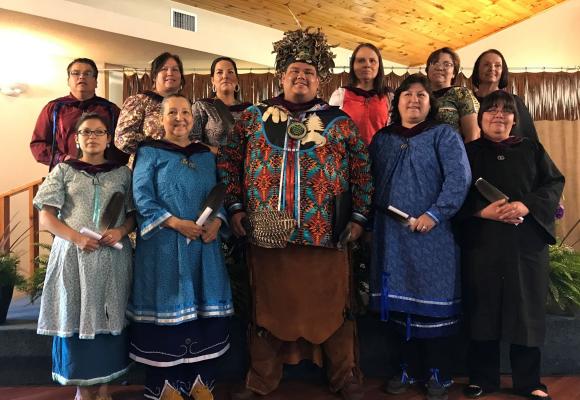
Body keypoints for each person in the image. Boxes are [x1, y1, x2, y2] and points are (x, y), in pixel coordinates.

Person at [219, 28, 373, 400]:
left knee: (334, 307)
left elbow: (362, 172)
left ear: (319, 80)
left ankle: (344, 376)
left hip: (327, 233)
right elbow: (228, 162)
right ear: (281, 77)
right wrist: (237, 207)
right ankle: (261, 379)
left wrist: (357, 218)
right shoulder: (252, 119)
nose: (300, 77)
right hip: (268, 232)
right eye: (293, 71)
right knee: (267, 309)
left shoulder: (339, 122)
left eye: (308, 72)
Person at [456, 91, 564, 400]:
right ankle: (482, 378)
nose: (498, 116)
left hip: (525, 245)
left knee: (526, 312)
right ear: (480, 117)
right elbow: (453, 193)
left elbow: (553, 183)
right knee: (482, 311)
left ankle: (529, 381)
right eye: (491, 111)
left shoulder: (531, 149)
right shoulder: (467, 152)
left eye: (506, 111)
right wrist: (480, 211)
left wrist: (526, 205)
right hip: (482, 245)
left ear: (515, 119)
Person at [369, 74, 471, 400]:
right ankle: (403, 368)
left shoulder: (444, 135)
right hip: (391, 237)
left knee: (433, 308)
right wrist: (368, 226)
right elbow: (367, 183)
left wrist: (434, 214)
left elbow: (459, 178)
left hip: (434, 236)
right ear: (397, 102)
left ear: (431, 103)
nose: (414, 100)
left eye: (421, 95)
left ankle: (437, 373)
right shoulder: (383, 138)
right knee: (398, 308)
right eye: (408, 95)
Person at [128, 94, 233, 400]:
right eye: (171, 112)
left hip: (202, 247)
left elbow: (218, 196)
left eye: (185, 112)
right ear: (161, 119)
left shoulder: (205, 155)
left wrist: (217, 222)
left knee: (202, 309)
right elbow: (142, 198)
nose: (179, 118)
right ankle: (166, 386)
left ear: (193, 118)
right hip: (164, 246)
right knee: (168, 312)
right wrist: (175, 223)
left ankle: (201, 381)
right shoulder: (149, 152)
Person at [34, 112, 135, 400]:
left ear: (108, 138)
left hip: (112, 258)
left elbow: (132, 216)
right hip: (73, 258)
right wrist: (77, 237)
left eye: (99, 132)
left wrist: (121, 231)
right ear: (76, 139)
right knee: (76, 315)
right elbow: (46, 218)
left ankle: (104, 391)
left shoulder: (122, 173)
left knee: (109, 316)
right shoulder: (63, 171)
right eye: (86, 132)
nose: (92, 137)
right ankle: (83, 390)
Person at [30, 58, 129, 170]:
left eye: (87, 73)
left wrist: (108, 164)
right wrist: (63, 159)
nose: (81, 77)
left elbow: (124, 145)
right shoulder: (54, 108)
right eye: (76, 73)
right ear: (68, 80)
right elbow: (38, 144)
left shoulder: (111, 110)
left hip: (103, 175)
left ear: (96, 81)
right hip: (65, 173)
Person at [115, 52, 185, 155]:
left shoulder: (185, 106)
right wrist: (160, 144)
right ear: (154, 77)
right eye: (164, 69)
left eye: (175, 69)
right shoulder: (139, 101)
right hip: (149, 166)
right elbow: (122, 139)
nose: (170, 73)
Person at [471, 49, 539, 141]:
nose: (492, 68)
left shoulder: (515, 102)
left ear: (503, 71)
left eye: (497, 65)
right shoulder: (467, 101)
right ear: (477, 69)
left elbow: (529, 139)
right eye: (486, 64)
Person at [329, 43, 390, 145]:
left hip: (380, 157)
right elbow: (332, 132)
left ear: (379, 66)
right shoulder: (340, 95)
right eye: (361, 60)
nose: (367, 64)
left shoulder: (389, 97)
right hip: (349, 157)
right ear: (353, 65)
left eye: (372, 61)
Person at [191, 56, 252, 152]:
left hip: (242, 166)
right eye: (219, 72)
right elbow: (193, 140)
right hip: (210, 164)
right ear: (212, 80)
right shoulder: (201, 106)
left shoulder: (249, 109)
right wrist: (221, 154)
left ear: (236, 79)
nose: (225, 76)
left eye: (230, 72)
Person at [425, 47, 480, 143]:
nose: (439, 67)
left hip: (453, 154)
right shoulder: (420, 95)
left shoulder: (461, 94)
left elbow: (473, 134)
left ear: (454, 72)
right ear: (428, 69)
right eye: (434, 62)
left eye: (447, 64)